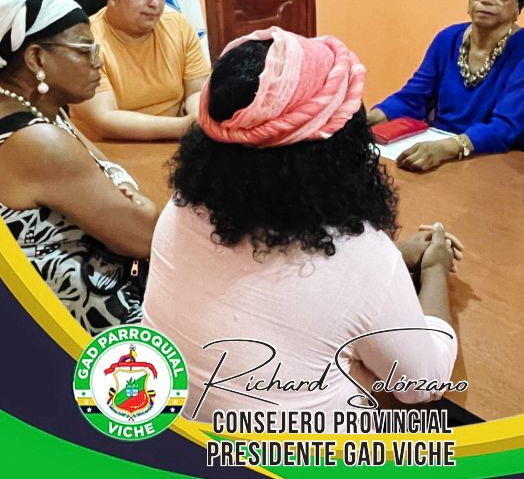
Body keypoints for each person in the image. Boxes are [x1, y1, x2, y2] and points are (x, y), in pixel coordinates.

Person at [142, 27, 460, 421]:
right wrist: (434, 269)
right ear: (341, 146)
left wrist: (393, 261)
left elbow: (292, 297)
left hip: (174, 435)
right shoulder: (361, 257)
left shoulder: (180, 209)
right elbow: (423, 384)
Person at [0, 0, 158, 334]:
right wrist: (134, 199)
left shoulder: (38, 111)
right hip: (81, 326)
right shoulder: (37, 141)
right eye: (85, 50)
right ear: (36, 58)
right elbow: (144, 235)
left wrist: (118, 184)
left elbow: (106, 167)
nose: (98, 63)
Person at [367, 0, 524, 172]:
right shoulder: (447, 38)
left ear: (518, 6)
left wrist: (449, 147)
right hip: (439, 152)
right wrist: (369, 119)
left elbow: (506, 127)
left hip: (497, 161)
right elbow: (413, 97)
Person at [71, 0, 210, 140]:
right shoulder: (84, 42)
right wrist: (184, 126)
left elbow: (196, 90)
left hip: (174, 143)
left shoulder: (178, 26)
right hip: (106, 149)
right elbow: (104, 119)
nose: (155, 3)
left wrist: (197, 118)